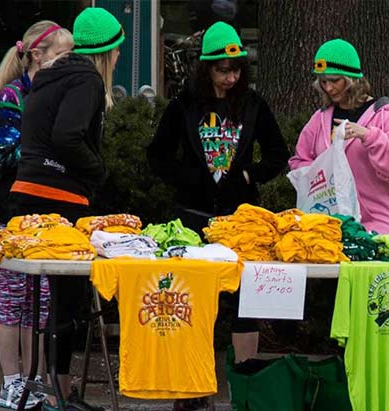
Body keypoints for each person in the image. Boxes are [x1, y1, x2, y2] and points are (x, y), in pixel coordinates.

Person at [146, 21, 289, 411]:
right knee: (195, 304)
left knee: (246, 304)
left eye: (237, 69)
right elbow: (157, 155)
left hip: (240, 221)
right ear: (206, 68)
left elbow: (278, 153)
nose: (231, 77)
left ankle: (246, 389)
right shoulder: (183, 104)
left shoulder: (254, 105)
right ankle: (193, 390)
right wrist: (188, 176)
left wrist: (249, 174)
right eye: (223, 70)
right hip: (193, 218)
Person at [10, 7, 122, 411]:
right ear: (106, 52)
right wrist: (98, 170)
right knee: (68, 298)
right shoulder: (88, 80)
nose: (119, 59)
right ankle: (61, 393)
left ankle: (48, 387)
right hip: (60, 196)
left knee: (47, 298)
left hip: (27, 192)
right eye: (117, 51)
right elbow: (67, 136)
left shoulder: (49, 75)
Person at [0, 20, 73, 410]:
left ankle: (33, 379)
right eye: (62, 55)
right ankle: (11, 381)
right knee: (13, 295)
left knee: (40, 300)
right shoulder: (11, 94)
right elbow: (3, 152)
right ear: (38, 55)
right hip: (5, 212)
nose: (69, 63)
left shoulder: (60, 92)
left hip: (41, 214)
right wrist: (48, 152)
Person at [289, 38, 389, 234]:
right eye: (323, 82)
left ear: (352, 79)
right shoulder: (320, 119)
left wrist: (369, 136)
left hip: (377, 223)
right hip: (328, 221)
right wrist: (318, 173)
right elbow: (299, 161)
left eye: (334, 80)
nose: (329, 88)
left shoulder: (382, 115)